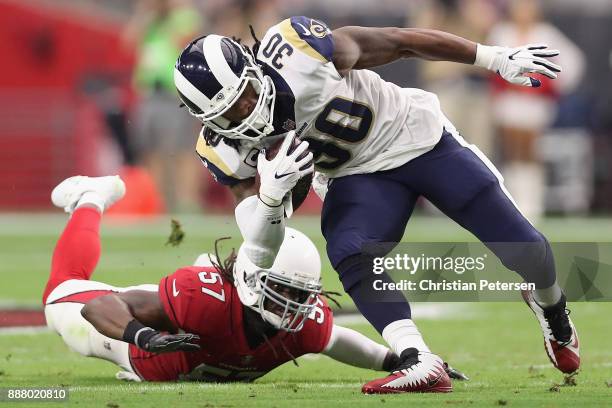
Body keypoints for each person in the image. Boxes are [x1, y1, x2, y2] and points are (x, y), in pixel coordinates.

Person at [173, 17, 579, 393]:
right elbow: (261, 251)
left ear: (251, 68)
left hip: (416, 137)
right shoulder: (223, 150)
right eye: (227, 115)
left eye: (244, 97)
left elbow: (399, 42)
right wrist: (271, 197)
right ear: (205, 118)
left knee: (525, 248)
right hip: (357, 175)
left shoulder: (299, 53)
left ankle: (551, 306)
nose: (245, 115)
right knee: (350, 250)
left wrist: (493, 58)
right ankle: (418, 358)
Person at [42, 175, 414, 383]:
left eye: (300, 294)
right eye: (283, 289)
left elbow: (334, 339)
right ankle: (91, 197)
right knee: (60, 292)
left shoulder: (303, 321)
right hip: (131, 346)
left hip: (171, 350)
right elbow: (98, 306)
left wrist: (398, 363)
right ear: (254, 279)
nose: (293, 304)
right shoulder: (205, 299)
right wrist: (145, 336)